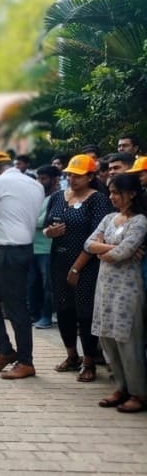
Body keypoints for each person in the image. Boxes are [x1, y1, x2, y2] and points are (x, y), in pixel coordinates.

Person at [44, 154, 112, 382]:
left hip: (86, 264)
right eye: (70, 175)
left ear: (91, 176)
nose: (72, 179)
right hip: (58, 261)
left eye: (78, 176)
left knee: (85, 313)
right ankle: (71, 355)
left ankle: (89, 360)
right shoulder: (57, 197)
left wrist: (76, 268)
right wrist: (49, 232)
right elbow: (46, 225)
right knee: (63, 309)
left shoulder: (98, 200)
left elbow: (96, 236)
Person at [0, 151, 45, 380]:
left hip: (9, 251)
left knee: (16, 308)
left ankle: (26, 362)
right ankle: (5, 352)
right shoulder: (35, 184)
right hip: (19, 249)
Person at [86, 173, 147, 413]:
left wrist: (106, 250)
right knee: (108, 338)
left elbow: (121, 254)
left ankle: (139, 392)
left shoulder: (140, 221)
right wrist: (110, 248)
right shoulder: (110, 218)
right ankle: (121, 387)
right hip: (105, 288)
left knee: (128, 341)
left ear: (132, 193)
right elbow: (89, 244)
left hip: (127, 289)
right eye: (110, 192)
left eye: (116, 192)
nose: (112, 197)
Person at [30, 165, 61, 329]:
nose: (39, 182)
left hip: (47, 249)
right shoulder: (37, 197)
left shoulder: (57, 198)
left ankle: (46, 316)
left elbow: (44, 221)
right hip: (32, 247)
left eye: (43, 178)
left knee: (47, 285)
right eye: (38, 178)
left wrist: (27, 222)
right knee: (33, 284)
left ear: (55, 180)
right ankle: (34, 314)